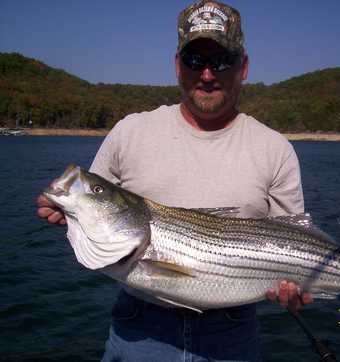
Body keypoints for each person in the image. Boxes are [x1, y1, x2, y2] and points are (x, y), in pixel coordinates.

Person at [37, 0, 312, 360]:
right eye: (195, 61)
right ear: (177, 65)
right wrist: (70, 214)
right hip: (139, 332)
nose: (208, 74)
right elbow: (101, 218)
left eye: (222, 60)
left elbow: (297, 241)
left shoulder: (276, 149)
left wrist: (296, 290)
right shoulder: (129, 132)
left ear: (243, 67)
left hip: (233, 336)